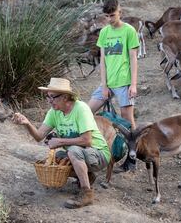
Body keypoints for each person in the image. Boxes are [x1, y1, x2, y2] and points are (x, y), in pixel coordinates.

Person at [12, 78, 110, 209]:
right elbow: (39, 136)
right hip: (82, 153)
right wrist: (27, 123)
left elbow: (87, 140)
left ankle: (86, 193)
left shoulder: (81, 108)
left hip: (99, 153)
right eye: (48, 97)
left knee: (73, 150)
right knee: (59, 157)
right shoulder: (54, 112)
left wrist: (60, 141)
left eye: (52, 97)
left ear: (65, 97)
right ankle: (87, 175)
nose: (49, 100)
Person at [87, 0, 139, 172]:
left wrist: (133, 84)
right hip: (107, 82)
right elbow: (102, 60)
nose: (110, 19)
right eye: (107, 16)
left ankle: (132, 158)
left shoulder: (129, 31)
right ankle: (94, 149)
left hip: (124, 82)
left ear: (120, 12)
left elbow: (133, 59)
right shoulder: (104, 33)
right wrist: (103, 85)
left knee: (128, 123)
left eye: (113, 15)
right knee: (87, 112)